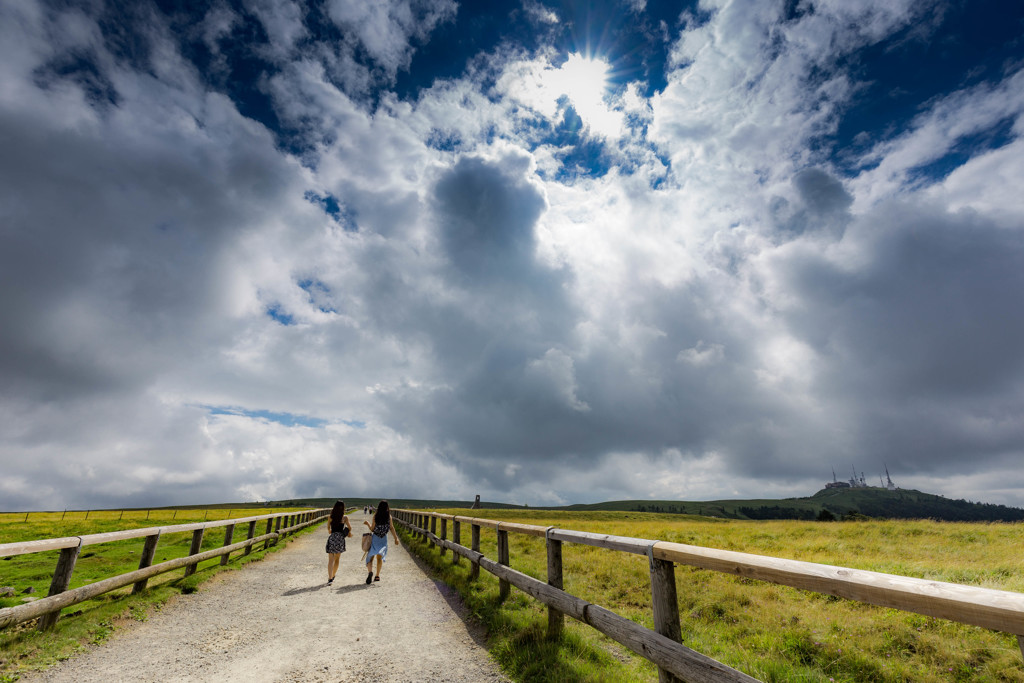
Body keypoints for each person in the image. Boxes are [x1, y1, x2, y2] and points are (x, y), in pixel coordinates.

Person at [363, 499, 399, 584]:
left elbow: (372, 529)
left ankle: (370, 572)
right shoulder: (388, 516)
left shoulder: (375, 516)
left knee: (370, 557)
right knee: (379, 558)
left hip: (375, 538)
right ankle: (377, 576)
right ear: (387, 507)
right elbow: (391, 528)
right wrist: (396, 538)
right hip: (383, 539)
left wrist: (368, 524)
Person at [325, 501, 352, 585]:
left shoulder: (330, 517)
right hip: (340, 539)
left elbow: (328, 528)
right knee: (337, 559)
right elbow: (350, 527)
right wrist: (349, 533)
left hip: (332, 538)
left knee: (330, 560)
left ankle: (330, 578)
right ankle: (333, 576)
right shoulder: (345, 518)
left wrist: (330, 530)